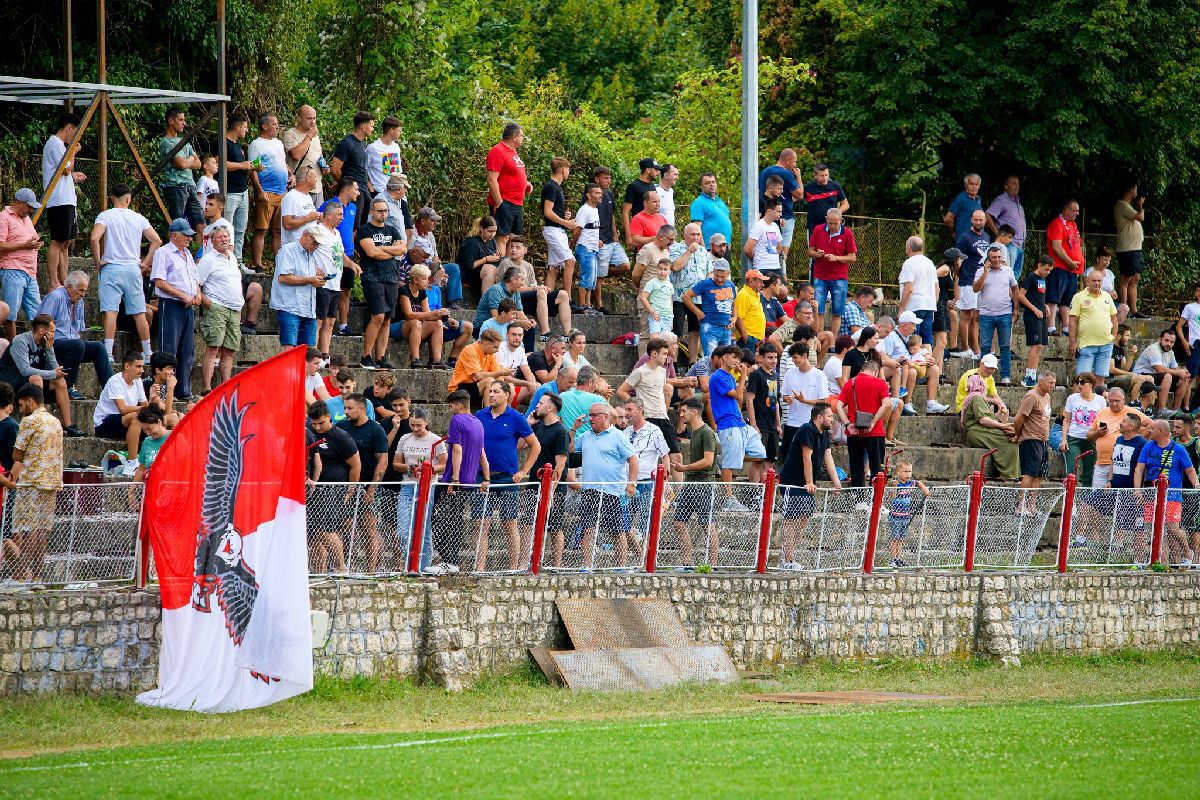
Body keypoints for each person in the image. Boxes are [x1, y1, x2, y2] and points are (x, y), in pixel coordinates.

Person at [89, 184, 160, 364]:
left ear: (112, 197)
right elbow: (156, 240)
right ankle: (148, 352)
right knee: (139, 312)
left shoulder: (105, 215)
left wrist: (98, 260)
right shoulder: (138, 218)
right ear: (128, 199)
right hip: (132, 268)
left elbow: (94, 238)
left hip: (111, 267)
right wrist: (145, 263)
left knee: (110, 311)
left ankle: (108, 353)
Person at [472, 382, 539, 571]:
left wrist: (523, 471)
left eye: (496, 391)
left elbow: (535, 445)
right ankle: (480, 569)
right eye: (490, 391)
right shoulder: (480, 416)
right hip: (483, 477)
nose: (491, 395)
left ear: (507, 395)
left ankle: (513, 568)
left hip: (507, 478)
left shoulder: (516, 417)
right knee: (480, 525)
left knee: (510, 525)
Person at [8, 384, 64, 582]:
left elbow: (17, 454)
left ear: (30, 401)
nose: (20, 409)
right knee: (41, 530)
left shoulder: (29, 421)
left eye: (22, 404)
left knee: (28, 528)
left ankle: (21, 575)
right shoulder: (55, 421)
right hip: (52, 481)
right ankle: (37, 577)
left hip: (31, 481)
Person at [776, 400, 841, 569]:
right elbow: (806, 457)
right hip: (793, 481)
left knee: (804, 518)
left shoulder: (824, 434)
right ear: (819, 417)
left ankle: (789, 555)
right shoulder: (807, 429)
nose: (831, 419)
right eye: (829, 416)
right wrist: (810, 482)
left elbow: (828, 458)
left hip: (806, 484)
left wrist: (837, 483)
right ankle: (787, 559)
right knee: (791, 519)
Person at [574, 402, 638, 570]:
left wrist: (631, 483)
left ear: (605, 417)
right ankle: (586, 566)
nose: (591, 418)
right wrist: (574, 429)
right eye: (590, 415)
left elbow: (632, 459)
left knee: (618, 531)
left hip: (612, 491)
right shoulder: (586, 435)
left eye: (594, 415)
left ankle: (620, 566)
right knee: (588, 529)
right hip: (589, 490)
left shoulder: (617, 436)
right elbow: (571, 448)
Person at [0, 313, 79, 437]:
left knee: (60, 382)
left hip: (31, 384)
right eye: (52, 331)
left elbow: (54, 369)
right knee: (37, 379)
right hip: (11, 384)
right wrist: (53, 373)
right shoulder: (20, 341)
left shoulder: (45, 343)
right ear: (42, 331)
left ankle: (68, 426)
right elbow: (25, 370)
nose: (54, 334)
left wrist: (49, 349)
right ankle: (38, 423)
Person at [37, 270, 111, 401]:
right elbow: (41, 324)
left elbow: (77, 331)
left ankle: (111, 389)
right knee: (77, 345)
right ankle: (68, 386)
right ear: (69, 287)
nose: (83, 295)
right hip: (52, 343)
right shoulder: (56, 297)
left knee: (98, 347)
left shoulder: (79, 302)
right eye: (81, 290)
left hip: (72, 344)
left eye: (85, 291)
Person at [1134, 419, 1200, 565]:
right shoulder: (1148, 446)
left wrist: (1196, 484)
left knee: (1172, 528)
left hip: (1172, 496)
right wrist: (1137, 489)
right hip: (1151, 495)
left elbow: (1190, 470)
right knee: (1154, 529)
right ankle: (1161, 564)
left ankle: (1188, 552)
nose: (1149, 431)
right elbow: (1139, 468)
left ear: (1161, 431)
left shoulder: (1178, 449)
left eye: (1152, 429)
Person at [336, 393, 389, 572]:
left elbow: (382, 461)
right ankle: (342, 567)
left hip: (367, 485)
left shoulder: (376, 429)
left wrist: (372, 489)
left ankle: (371, 570)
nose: (346, 412)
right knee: (345, 529)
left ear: (362, 408)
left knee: (369, 529)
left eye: (350, 408)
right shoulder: (341, 427)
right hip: (346, 487)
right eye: (345, 408)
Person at [306, 400, 361, 574]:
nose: (318, 427)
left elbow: (355, 465)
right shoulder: (309, 432)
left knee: (325, 529)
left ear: (329, 417)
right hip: (312, 489)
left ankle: (341, 566)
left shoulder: (341, 437)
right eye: (314, 424)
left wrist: (350, 490)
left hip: (333, 490)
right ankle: (318, 570)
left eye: (321, 423)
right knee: (311, 533)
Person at [150, 219, 201, 400]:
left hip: (187, 307)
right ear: (174, 235)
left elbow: (195, 279)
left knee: (187, 351)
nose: (189, 238)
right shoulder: (163, 253)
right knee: (168, 350)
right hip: (171, 305)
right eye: (185, 235)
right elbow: (159, 281)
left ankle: (183, 391)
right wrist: (183, 295)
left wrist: (197, 294)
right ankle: (163, 393)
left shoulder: (187, 254)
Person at [708, 345, 768, 494]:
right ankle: (728, 497)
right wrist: (743, 375)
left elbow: (738, 399)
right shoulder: (717, 376)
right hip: (727, 423)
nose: (737, 361)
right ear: (724, 358)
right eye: (734, 357)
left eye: (738, 359)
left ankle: (726, 456)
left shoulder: (729, 376)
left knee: (760, 454)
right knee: (729, 463)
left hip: (739, 423)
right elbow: (737, 395)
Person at [357, 197, 406, 370]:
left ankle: (380, 357)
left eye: (385, 211)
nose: (383, 214)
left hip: (391, 278)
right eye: (380, 211)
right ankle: (366, 356)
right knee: (377, 316)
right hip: (372, 277)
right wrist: (391, 251)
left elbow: (402, 249)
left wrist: (382, 249)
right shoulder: (365, 230)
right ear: (371, 212)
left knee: (387, 319)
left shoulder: (393, 230)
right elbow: (371, 252)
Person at [617, 338, 679, 473]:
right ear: (654, 354)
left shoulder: (662, 371)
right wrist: (636, 406)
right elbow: (621, 391)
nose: (667, 357)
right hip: (648, 416)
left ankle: (677, 491)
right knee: (649, 455)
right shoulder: (639, 371)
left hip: (662, 416)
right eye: (664, 353)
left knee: (675, 454)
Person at [41, 113, 87, 290]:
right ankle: (53, 281)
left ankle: (64, 279)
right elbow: (67, 168)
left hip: (67, 199)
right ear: (69, 128)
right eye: (74, 133)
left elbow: (64, 172)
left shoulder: (60, 145)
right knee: (57, 240)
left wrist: (72, 176)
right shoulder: (55, 143)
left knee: (66, 242)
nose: (74, 139)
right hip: (58, 200)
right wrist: (73, 151)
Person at [196, 227, 245, 394]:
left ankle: (226, 386)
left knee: (229, 350)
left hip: (234, 309)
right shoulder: (208, 259)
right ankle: (207, 388)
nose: (224, 239)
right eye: (219, 237)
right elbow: (196, 283)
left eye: (226, 236)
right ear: (212, 241)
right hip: (217, 307)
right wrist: (208, 303)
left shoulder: (232, 257)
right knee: (213, 347)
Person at [500, 236, 572, 342]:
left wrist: (537, 288)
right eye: (511, 247)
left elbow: (533, 288)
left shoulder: (528, 266)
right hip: (513, 299)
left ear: (525, 250)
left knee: (563, 294)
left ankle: (568, 335)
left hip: (530, 299)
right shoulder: (506, 263)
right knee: (541, 292)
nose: (513, 249)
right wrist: (537, 288)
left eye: (517, 247)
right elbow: (511, 289)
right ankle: (545, 333)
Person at [320, 178, 363, 337]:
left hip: (348, 254)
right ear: (346, 190)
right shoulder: (329, 205)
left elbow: (353, 230)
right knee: (330, 288)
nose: (358, 193)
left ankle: (343, 324)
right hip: (330, 254)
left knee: (346, 289)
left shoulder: (353, 207)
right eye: (356, 189)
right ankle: (325, 322)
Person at [0, 188, 44, 340]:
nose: (31, 210)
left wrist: (37, 244)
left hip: (30, 273)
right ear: (19, 203)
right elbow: (1, 245)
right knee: (10, 314)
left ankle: (37, 349)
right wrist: (24, 246)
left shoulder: (26, 220)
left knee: (39, 315)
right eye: (29, 206)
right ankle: (13, 349)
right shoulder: (4, 217)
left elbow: (30, 240)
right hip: (12, 269)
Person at [247, 113, 290, 268]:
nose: (277, 126)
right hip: (267, 191)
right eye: (274, 124)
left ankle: (278, 264)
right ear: (264, 126)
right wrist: (259, 190)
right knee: (261, 229)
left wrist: (290, 174)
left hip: (282, 191)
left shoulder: (278, 143)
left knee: (278, 230)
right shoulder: (257, 144)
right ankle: (258, 263)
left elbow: (282, 163)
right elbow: (253, 168)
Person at [270, 224, 324, 347]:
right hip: (290, 307)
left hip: (308, 309)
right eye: (314, 243)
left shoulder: (311, 254)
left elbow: (305, 276)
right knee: (289, 348)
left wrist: (317, 278)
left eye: (317, 244)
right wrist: (310, 280)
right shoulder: (288, 250)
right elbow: (284, 278)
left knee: (310, 352)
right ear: (305, 235)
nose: (315, 246)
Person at [623, 396, 670, 536]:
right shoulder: (626, 431)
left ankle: (646, 551)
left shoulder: (654, 431)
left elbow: (665, 455)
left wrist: (664, 481)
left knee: (646, 519)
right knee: (626, 521)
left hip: (647, 482)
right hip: (627, 482)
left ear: (640, 410)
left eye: (630, 409)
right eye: (626, 409)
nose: (626, 413)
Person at [973, 243, 1018, 385]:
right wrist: (985, 273)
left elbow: (1015, 289)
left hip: (1004, 312)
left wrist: (1015, 308)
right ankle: (984, 376)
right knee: (985, 346)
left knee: (1005, 346)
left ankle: (1006, 375)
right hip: (986, 313)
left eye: (998, 257)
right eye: (993, 257)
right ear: (988, 258)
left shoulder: (1008, 271)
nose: (996, 260)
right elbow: (975, 289)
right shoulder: (981, 271)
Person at [485, 123, 533, 259]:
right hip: (504, 201)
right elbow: (491, 179)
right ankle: (502, 271)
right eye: (522, 135)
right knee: (503, 237)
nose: (523, 138)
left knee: (515, 238)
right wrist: (499, 202)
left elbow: (512, 173)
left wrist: (525, 183)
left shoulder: (512, 152)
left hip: (517, 202)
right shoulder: (498, 150)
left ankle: (512, 272)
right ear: (514, 136)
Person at [1011, 370, 1056, 514]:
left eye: (1054, 383)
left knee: (1038, 475)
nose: (1053, 386)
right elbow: (1019, 418)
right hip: (1031, 439)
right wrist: (1017, 435)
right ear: (1041, 381)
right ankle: (1021, 505)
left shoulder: (1047, 396)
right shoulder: (1032, 396)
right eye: (1050, 382)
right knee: (1029, 473)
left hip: (1043, 440)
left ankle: (1032, 505)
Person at [959, 374, 1019, 479]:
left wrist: (1002, 413)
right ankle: (1010, 476)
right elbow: (983, 420)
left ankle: (1008, 473)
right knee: (1010, 443)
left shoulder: (977, 398)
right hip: (978, 432)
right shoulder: (977, 398)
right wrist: (1003, 426)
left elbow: (991, 419)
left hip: (982, 431)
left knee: (1010, 439)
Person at [587, 167, 629, 314]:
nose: (609, 181)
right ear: (597, 179)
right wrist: (594, 237)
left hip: (611, 239)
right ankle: (599, 305)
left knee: (625, 265)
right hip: (600, 239)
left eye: (610, 178)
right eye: (605, 178)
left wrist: (615, 234)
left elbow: (611, 215)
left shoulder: (609, 194)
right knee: (599, 276)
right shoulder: (591, 194)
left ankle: (597, 272)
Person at [158, 108, 204, 238]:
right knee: (177, 225)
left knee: (201, 225)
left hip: (191, 186)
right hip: (176, 187)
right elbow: (181, 164)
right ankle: (174, 256)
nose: (184, 123)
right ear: (171, 121)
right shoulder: (166, 142)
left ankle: (200, 257)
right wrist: (190, 159)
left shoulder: (184, 141)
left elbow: (199, 163)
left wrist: (186, 161)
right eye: (181, 120)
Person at [952, 209, 991, 360]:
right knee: (966, 314)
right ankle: (966, 348)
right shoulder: (964, 237)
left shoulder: (987, 236)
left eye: (981, 220)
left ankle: (976, 349)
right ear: (971, 220)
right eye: (976, 220)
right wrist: (959, 276)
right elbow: (957, 259)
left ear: (985, 221)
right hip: (967, 280)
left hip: (980, 280)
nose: (978, 222)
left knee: (976, 316)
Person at [93, 352, 148, 456]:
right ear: (127, 366)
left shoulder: (138, 381)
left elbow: (146, 406)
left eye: (142, 367)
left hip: (123, 421)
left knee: (164, 419)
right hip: (104, 423)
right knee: (135, 417)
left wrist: (153, 399)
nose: (142, 370)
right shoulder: (115, 381)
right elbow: (122, 409)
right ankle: (132, 463)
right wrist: (143, 408)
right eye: (138, 366)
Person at [222, 111, 258, 268]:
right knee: (227, 227)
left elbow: (239, 166)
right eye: (245, 127)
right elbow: (220, 164)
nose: (247, 130)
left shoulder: (238, 145)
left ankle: (238, 262)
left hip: (243, 192)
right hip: (230, 192)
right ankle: (225, 260)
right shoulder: (223, 142)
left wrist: (252, 167)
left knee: (240, 229)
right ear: (237, 127)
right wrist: (241, 165)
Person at [394, 264, 447, 368]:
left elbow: (427, 315)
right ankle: (415, 359)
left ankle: (436, 360)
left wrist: (440, 316)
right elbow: (408, 314)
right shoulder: (404, 291)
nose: (427, 281)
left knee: (437, 323)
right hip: (398, 325)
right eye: (424, 278)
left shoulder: (422, 292)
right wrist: (432, 313)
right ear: (415, 280)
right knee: (415, 322)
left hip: (414, 327)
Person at [411, 206, 464, 310]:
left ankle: (453, 301)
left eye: (436, 220)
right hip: (419, 267)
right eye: (432, 220)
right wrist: (435, 271)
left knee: (454, 268)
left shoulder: (430, 234)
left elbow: (435, 256)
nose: (435, 223)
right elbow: (413, 257)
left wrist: (440, 270)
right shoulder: (412, 233)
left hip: (431, 266)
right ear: (423, 221)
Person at [682, 259, 737, 357]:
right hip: (710, 327)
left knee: (726, 361)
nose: (719, 279)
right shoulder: (705, 283)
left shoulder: (731, 285)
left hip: (726, 328)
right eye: (716, 276)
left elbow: (733, 304)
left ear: (728, 274)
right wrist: (697, 311)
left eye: (722, 277)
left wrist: (735, 317)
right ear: (713, 272)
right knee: (712, 360)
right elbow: (686, 297)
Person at [1045, 200, 1085, 337]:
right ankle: (1050, 327)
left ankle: (1066, 327)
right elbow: (1056, 247)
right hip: (1060, 267)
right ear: (1066, 210)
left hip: (1072, 269)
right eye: (1075, 211)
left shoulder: (1072, 224)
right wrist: (1069, 262)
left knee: (1067, 300)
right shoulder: (1057, 224)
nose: (1077, 213)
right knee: (1054, 297)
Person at [540, 156, 578, 297]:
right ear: (563, 170)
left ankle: (546, 299)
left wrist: (564, 216)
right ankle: (567, 298)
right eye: (568, 169)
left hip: (557, 229)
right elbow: (547, 212)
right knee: (570, 260)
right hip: (553, 230)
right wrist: (566, 223)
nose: (568, 172)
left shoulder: (557, 187)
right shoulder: (551, 186)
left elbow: (553, 211)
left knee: (553, 268)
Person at [759, 149, 804, 265]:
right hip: (784, 217)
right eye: (794, 161)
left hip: (767, 217)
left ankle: (773, 273)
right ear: (787, 160)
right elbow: (800, 195)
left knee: (770, 250)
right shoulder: (786, 174)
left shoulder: (765, 172)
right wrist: (798, 177)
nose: (795, 165)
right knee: (781, 254)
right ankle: (780, 275)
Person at [329, 111, 374, 226]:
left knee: (362, 227)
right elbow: (334, 170)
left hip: (364, 191)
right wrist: (344, 184)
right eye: (371, 126)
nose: (372, 129)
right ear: (364, 127)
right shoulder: (346, 143)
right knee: (353, 227)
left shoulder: (363, 144)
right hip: (353, 193)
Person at [1060, 372, 1104, 484]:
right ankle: (1070, 498)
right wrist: (1064, 439)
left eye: (1083, 382)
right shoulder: (1072, 398)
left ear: (1091, 385)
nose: (1079, 385)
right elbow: (1066, 420)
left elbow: (1102, 420)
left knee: (1089, 474)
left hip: (1091, 439)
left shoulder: (1100, 400)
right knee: (1072, 471)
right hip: (1074, 437)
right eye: (1078, 382)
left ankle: (1085, 501)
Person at [1016, 254, 1053, 387]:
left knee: (1039, 346)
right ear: (1039, 265)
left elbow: (1039, 296)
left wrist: (1045, 306)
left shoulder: (1043, 280)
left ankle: (1033, 375)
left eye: (1050, 270)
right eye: (1046, 269)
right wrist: (1034, 309)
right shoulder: (1031, 277)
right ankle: (1028, 376)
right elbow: (1021, 295)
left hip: (1041, 316)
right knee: (1035, 345)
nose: (1047, 273)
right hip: (1032, 316)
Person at [884, 460, 930, 568]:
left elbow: (918, 483)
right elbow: (892, 497)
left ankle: (898, 558)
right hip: (896, 516)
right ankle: (892, 559)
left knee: (901, 538)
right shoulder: (896, 483)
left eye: (909, 471)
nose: (908, 474)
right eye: (905, 471)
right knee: (894, 538)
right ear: (898, 473)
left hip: (905, 516)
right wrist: (894, 488)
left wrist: (924, 489)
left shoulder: (911, 483)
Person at [448, 328, 507, 411]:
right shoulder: (470, 350)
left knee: (507, 387)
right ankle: (487, 415)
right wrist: (501, 372)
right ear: (486, 344)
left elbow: (499, 377)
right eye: (495, 347)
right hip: (459, 390)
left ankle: (503, 414)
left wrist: (502, 388)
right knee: (489, 381)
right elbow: (478, 375)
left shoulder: (491, 354)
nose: (497, 350)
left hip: (476, 388)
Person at [1133, 329, 1190, 413]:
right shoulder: (1153, 349)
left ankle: (1175, 411)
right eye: (1166, 340)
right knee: (1167, 376)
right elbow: (1159, 369)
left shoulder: (1170, 351)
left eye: (1172, 342)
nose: (1169, 344)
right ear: (1160, 339)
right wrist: (1179, 372)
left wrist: (1184, 372)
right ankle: (1161, 410)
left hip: (1157, 377)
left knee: (1183, 378)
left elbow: (1175, 368)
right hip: (1142, 376)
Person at [744, 342, 781, 466]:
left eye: (775, 357)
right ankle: (755, 486)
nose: (774, 360)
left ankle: (766, 485)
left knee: (770, 461)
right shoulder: (756, 375)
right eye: (770, 357)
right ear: (761, 358)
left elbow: (775, 400)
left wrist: (778, 424)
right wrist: (753, 424)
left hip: (772, 425)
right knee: (758, 460)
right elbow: (749, 399)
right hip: (760, 423)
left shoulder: (775, 376)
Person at [1114, 181, 1148, 319]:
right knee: (1126, 278)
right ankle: (1124, 308)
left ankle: (1134, 310)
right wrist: (1140, 205)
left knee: (1135, 278)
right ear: (1131, 191)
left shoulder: (1127, 206)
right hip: (1127, 248)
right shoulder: (1121, 205)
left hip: (1136, 248)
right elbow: (1140, 216)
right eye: (1135, 190)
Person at [897, 235, 937, 345]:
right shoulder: (930, 263)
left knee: (913, 341)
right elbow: (936, 289)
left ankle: (914, 362)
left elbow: (908, 289)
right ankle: (929, 362)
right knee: (926, 341)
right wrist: (933, 304)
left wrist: (901, 309)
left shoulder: (909, 263)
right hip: (929, 306)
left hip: (914, 307)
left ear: (908, 247)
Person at [282, 105, 326, 206]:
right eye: (309, 118)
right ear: (299, 118)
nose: (313, 122)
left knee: (317, 220)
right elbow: (296, 155)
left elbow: (318, 158)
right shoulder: (290, 134)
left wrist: (324, 168)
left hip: (317, 187)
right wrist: (309, 136)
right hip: (300, 188)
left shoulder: (316, 137)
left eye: (314, 118)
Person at [986, 175, 1026, 275]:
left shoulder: (1017, 202)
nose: (1017, 186)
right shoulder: (1001, 200)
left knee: (1016, 275)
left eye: (1018, 184)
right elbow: (987, 215)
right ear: (1006, 186)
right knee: (1007, 273)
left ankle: (1011, 291)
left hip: (1020, 244)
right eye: (1013, 184)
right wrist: (997, 232)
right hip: (1010, 244)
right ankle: (1005, 291)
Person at [572, 181, 603, 312]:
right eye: (597, 193)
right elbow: (578, 229)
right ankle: (582, 305)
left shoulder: (595, 210)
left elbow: (591, 230)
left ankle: (588, 305)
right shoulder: (584, 210)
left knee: (591, 279)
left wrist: (597, 241)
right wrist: (574, 242)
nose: (600, 195)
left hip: (593, 248)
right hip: (585, 248)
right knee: (586, 278)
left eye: (601, 193)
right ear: (588, 195)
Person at [457, 214, 502, 294]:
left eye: (495, 231)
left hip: (483, 273)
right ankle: (485, 302)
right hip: (469, 275)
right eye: (490, 231)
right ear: (481, 229)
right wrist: (486, 259)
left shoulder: (491, 240)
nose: (493, 234)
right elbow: (469, 266)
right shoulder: (472, 243)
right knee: (490, 269)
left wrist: (497, 257)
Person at [689, 172, 732, 253]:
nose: (711, 184)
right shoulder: (699, 203)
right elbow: (696, 228)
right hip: (710, 249)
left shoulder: (720, 201)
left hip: (724, 248)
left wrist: (728, 245)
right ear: (701, 186)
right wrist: (703, 249)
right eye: (707, 183)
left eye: (713, 182)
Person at [803, 162, 850, 237]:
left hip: (832, 227)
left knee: (832, 249)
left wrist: (835, 213)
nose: (825, 178)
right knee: (813, 249)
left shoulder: (835, 186)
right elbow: (796, 197)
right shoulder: (808, 188)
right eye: (822, 176)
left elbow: (846, 204)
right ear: (815, 176)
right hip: (813, 228)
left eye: (826, 175)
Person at [280, 166, 320, 249]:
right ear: (308, 179)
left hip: (308, 249)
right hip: (294, 250)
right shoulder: (291, 197)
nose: (316, 180)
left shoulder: (307, 196)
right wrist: (308, 218)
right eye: (315, 177)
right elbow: (287, 224)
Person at [744, 198, 784, 277]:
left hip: (776, 266)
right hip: (762, 267)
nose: (781, 214)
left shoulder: (775, 226)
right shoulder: (759, 226)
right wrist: (758, 258)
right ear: (769, 211)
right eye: (778, 211)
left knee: (783, 289)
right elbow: (747, 249)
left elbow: (779, 248)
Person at [366, 116, 404, 197]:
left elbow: (399, 171)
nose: (400, 133)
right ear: (391, 131)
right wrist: (369, 185)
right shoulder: (372, 148)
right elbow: (362, 168)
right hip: (380, 192)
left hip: (397, 192)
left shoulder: (396, 147)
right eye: (399, 130)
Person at [130, 407, 168, 485]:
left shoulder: (174, 437)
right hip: (152, 487)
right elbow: (141, 469)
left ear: (159, 422)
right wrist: (132, 490)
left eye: (149, 429)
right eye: (144, 430)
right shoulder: (147, 441)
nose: (148, 433)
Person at [144, 351, 182, 429]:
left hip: (157, 419)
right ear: (158, 370)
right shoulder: (149, 384)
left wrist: (179, 414)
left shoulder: (163, 384)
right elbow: (166, 412)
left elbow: (167, 407)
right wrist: (170, 388)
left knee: (181, 417)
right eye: (169, 368)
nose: (172, 372)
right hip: (146, 422)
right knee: (173, 418)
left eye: (173, 369)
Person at [639, 258, 675, 336]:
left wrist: (671, 314)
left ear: (669, 271)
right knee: (655, 338)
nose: (662, 271)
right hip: (656, 315)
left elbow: (670, 300)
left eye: (665, 269)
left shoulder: (670, 285)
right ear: (657, 269)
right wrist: (653, 312)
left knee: (665, 340)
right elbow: (643, 297)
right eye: (660, 269)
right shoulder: (652, 282)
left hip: (668, 316)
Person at [734, 270, 768, 350]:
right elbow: (738, 317)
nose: (762, 285)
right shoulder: (743, 294)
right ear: (751, 282)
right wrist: (745, 336)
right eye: (760, 282)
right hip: (749, 339)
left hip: (755, 338)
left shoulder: (755, 294)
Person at [375, 174, 414, 243]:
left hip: (398, 250)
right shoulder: (381, 201)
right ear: (398, 189)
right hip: (387, 250)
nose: (406, 191)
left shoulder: (398, 201)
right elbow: (374, 228)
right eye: (405, 188)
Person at [944, 173, 983, 240]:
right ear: (966, 185)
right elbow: (948, 219)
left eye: (976, 184)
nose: (974, 187)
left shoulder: (978, 199)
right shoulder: (961, 199)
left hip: (977, 239)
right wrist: (953, 232)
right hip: (964, 239)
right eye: (971, 184)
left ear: (979, 186)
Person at [656, 163, 679, 228]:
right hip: (658, 234)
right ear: (666, 175)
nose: (677, 177)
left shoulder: (671, 191)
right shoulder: (655, 190)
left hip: (670, 233)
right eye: (675, 175)